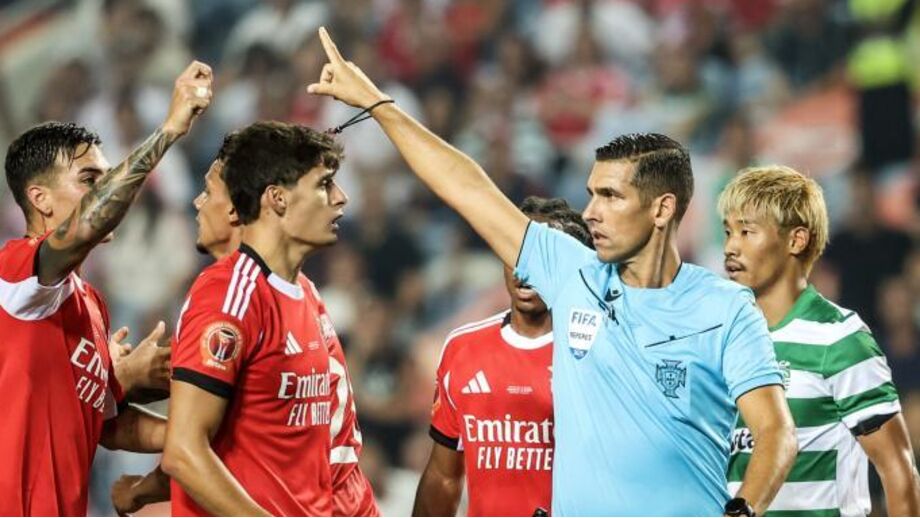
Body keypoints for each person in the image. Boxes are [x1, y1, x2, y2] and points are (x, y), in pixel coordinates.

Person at [308, 27, 797, 516]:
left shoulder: (725, 307)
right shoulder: (572, 272)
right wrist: (375, 103)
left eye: (610, 196)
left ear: (662, 209)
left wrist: (744, 511)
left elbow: (776, 433)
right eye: (591, 193)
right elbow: (466, 186)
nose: (590, 213)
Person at [113, 132, 379, 516]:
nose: (341, 197)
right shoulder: (228, 295)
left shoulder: (303, 292)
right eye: (324, 184)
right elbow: (186, 451)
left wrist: (142, 488)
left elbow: (258, 441)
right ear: (276, 198)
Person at [0, 60, 213, 516]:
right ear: (39, 198)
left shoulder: (89, 302)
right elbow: (86, 224)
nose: (107, 193)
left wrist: (203, 426)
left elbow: (106, 426)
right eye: (89, 181)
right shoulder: (15, 274)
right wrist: (169, 131)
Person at [720, 165, 920, 516]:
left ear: (796, 240)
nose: (731, 247)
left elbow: (898, 471)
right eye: (728, 232)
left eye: (747, 231)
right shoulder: (721, 339)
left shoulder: (840, 338)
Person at [413, 196, 592, 517]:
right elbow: (443, 476)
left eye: (540, 259)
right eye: (514, 254)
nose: (524, 271)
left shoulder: (595, 353)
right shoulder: (463, 348)